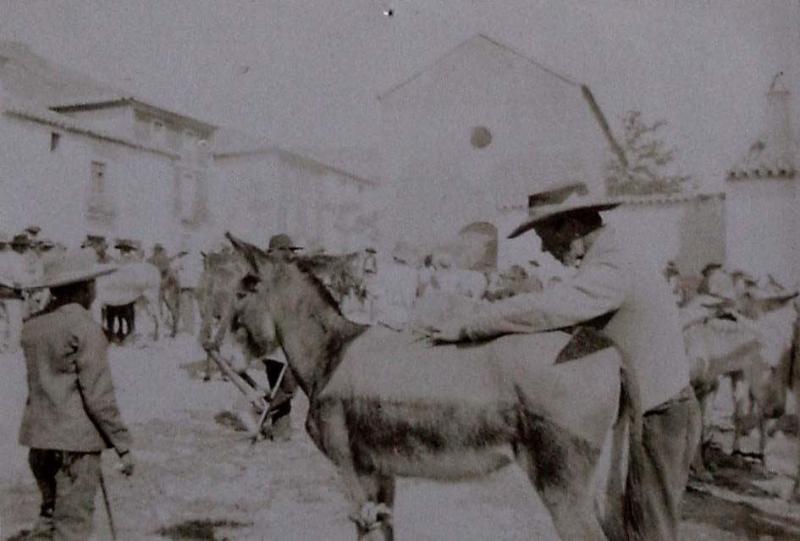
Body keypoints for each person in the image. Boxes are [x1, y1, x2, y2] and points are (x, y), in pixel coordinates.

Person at [425, 182, 701, 541]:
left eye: (543, 236)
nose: (543, 248)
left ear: (570, 227)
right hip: (646, 413)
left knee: (651, 532)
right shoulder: (612, 257)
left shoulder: (613, 268)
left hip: (660, 416)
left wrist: (468, 325)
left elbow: (548, 309)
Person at [18, 249, 133, 540]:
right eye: (92, 284)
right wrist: (123, 445)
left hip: (39, 440)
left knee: (48, 516)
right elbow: (99, 396)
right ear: (85, 289)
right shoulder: (85, 328)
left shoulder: (32, 326)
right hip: (75, 447)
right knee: (73, 527)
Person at [203, 233, 301, 441]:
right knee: (286, 385)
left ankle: (280, 428)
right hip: (270, 339)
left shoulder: (292, 274)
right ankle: (264, 415)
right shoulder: (257, 277)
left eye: (290, 252)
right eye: (284, 251)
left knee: (286, 386)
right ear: (273, 253)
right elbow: (238, 306)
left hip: (287, 337)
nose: (288, 255)